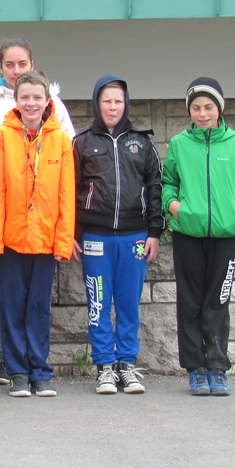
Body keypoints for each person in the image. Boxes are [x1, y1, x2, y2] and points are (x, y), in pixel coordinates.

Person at [0, 38, 75, 386]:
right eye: (24, 97)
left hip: (44, 238)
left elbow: (66, 194)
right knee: (11, 306)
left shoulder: (60, 140)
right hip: (11, 239)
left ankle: (40, 371)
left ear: (47, 101)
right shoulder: (1, 137)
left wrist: (64, 240)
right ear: (16, 100)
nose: (30, 103)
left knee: (39, 307)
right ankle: (17, 372)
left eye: (36, 98)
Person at [162, 77, 235, 397]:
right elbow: (167, 183)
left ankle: (217, 368)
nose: (202, 114)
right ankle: (196, 370)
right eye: (196, 108)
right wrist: (174, 207)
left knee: (218, 302)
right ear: (189, 111)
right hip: (187, 236)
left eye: (208, 107)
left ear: (219, 108)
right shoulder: (179, 144)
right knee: (190, 303)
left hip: (224, 237)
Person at [72, 76, 164, 395]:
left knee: (128, 304)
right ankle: (104, 368)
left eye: (118, 101)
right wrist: (73, 233)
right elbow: (69, 190)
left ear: (126, 104)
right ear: (96, 103)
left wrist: (155, 231)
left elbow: (155, 187)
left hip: (134, 237)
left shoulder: (142, 142)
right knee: (98, 304)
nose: (112, 107)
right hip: (95, 238)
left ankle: (126, 364)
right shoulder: (82, 143)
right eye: (106, 101)